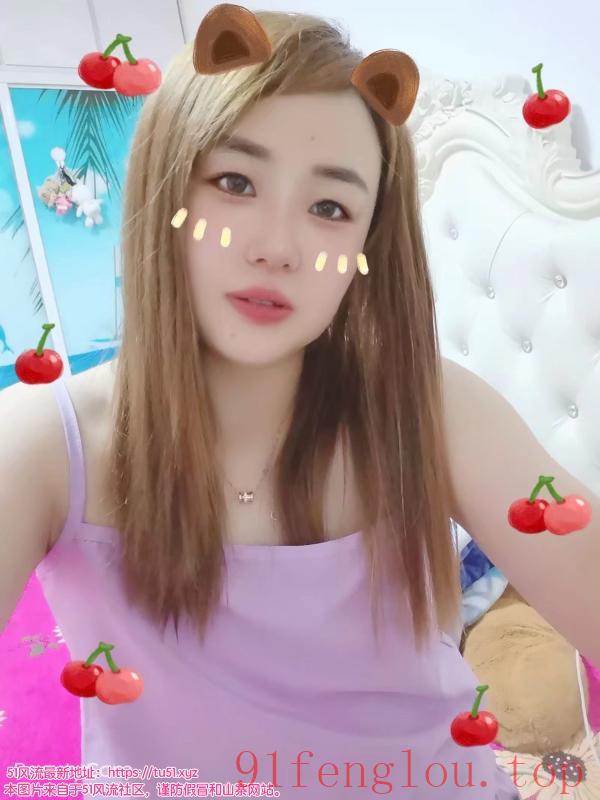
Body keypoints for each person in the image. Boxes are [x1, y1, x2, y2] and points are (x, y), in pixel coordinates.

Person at [6, 6, 597, 798]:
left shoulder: (431, 409)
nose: (276, 247)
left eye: (329, 208)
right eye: (235, 182)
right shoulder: (45, 442)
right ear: (165, 190)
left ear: (364, 249)